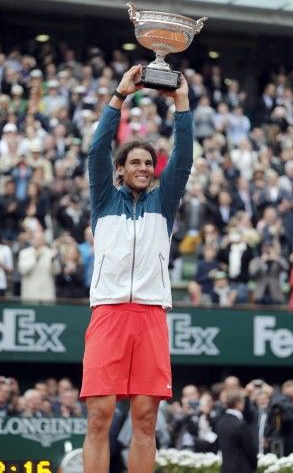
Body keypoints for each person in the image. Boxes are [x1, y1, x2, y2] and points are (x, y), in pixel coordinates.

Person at [80, 64, 193, 473]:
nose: (145, 167)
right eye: (136, 162)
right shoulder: (103, 202)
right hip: (108, 313)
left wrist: (182, 104)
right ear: (122, 169)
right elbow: (96, 151)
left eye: (149, 162)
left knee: (145, 419)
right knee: (99, 417)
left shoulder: (164, 205)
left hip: (150, 317)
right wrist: (119, 96)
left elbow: (182, 160)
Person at [216, 389, 258, 473]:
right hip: (242, 469)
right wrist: (254, 466)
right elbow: (250, 450)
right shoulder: (241, 425)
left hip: (225, 469)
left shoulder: (220, 423)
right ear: (238, 403)